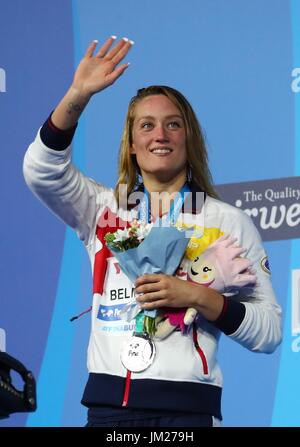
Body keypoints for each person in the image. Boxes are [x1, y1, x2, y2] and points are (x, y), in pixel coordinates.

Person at [23, 36, 282, 427]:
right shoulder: (104, 209)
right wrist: (78, 96)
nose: (159, 135)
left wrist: (197, 296)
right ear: (131, 144)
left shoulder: (226, 221)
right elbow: (41, 170)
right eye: (146, 125)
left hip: (187, 415)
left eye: (172, 125)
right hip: (109, 411)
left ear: (188, 138)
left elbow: (269, 331)